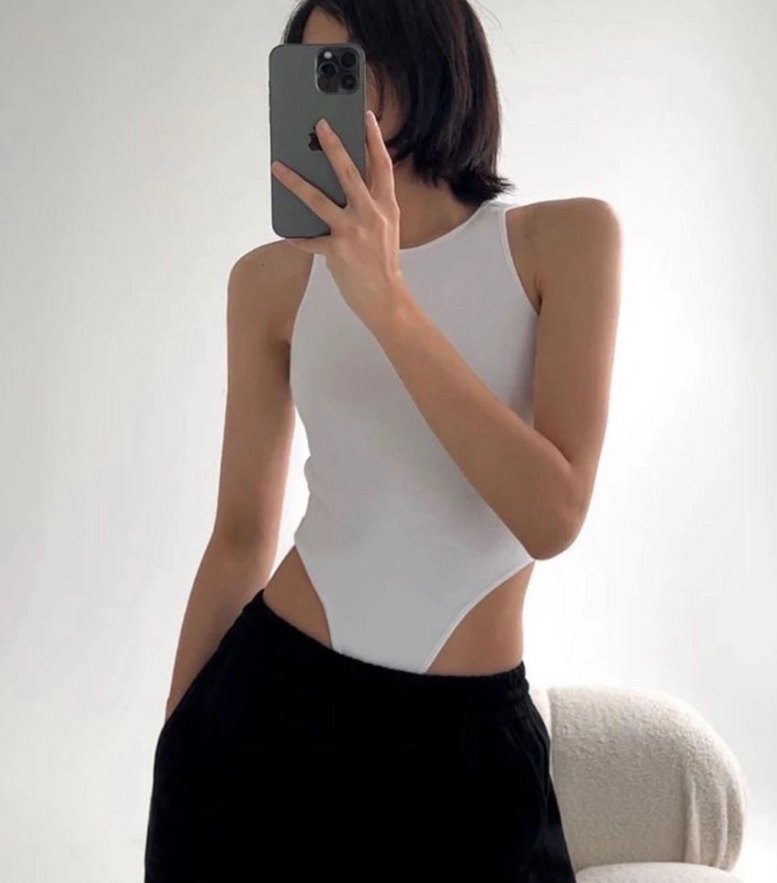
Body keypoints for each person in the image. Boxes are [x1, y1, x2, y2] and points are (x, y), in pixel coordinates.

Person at [143, 0, 621, 880]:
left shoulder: (564, 240)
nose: (338, 102)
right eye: (315, 75)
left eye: (356, 67)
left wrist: (386, 300)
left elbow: (551, 515)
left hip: (464, 753)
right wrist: (174, 747)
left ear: (434, 61)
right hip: (264, 718)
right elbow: (239, 537)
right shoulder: (269, 281)